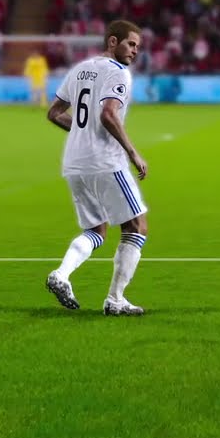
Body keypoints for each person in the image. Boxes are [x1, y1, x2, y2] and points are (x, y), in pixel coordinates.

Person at [44, 20, 150, 317]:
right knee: (136, 227)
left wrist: (83, 132)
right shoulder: (118, 72)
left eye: (138, 47)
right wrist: (132, 152)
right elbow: (108, 113)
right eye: (131, 44)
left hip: (74, 162)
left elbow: (54, 113)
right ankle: (115, 299)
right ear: (113, 41)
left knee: (96, 229)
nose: (135, 51)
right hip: (105, 161)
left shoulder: (80, 69)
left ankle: (61, 274)